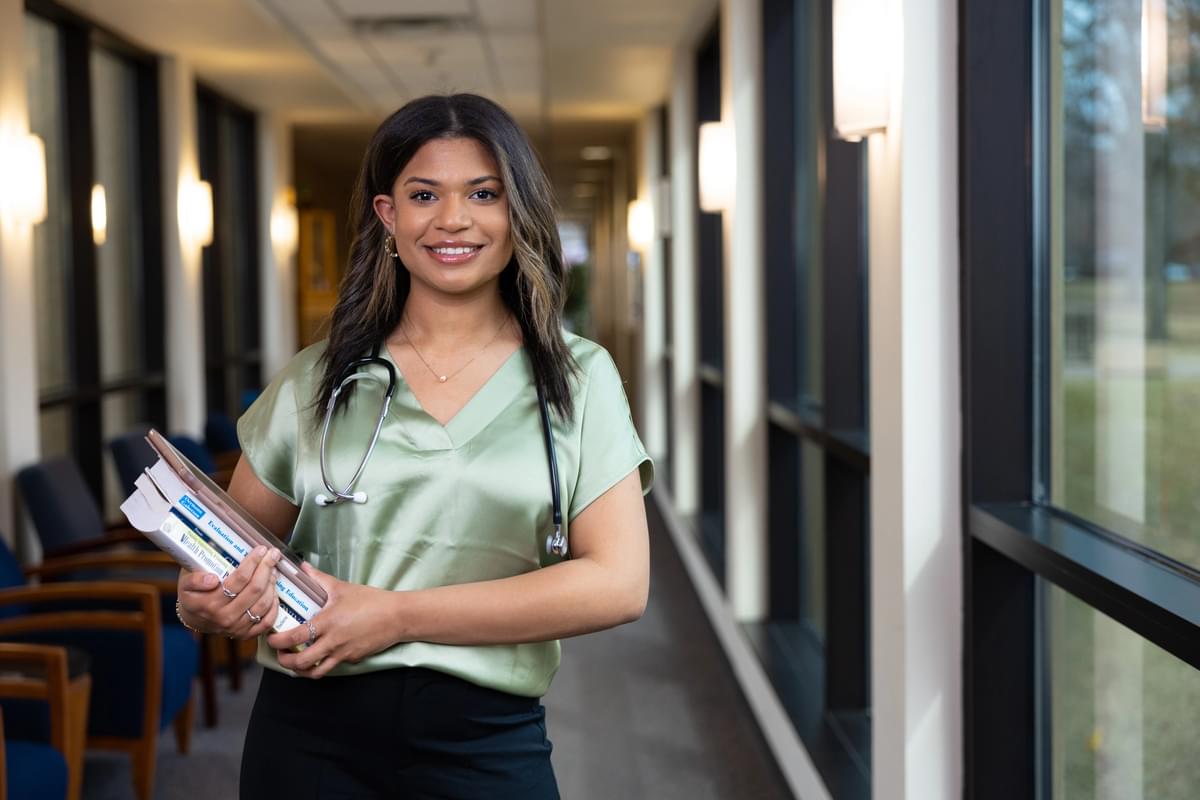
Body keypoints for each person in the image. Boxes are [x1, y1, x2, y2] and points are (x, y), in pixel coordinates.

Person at [174, 93, 653, 799]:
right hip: (308, 741)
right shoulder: (319, 378)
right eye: (423, 194)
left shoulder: (579, 379)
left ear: (515, 211)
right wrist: (204, 604)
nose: (453, 219)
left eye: (483, 193)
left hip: (486, 741)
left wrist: (396, 614)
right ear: (388, 215)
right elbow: (229, 557)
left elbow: (618, 583)